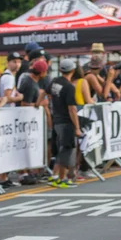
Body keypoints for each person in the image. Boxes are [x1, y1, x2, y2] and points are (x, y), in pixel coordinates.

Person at [40, 59, 81, 189]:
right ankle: (62, 179)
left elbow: (43, 92)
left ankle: (55, 176)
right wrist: (77, 127)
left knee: (60, 150)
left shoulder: (54, 82)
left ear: (60, 70)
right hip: (66, 121)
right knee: (66, 151)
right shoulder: (69, 87)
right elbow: (72, 108)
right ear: (73, 71)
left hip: (56, 120)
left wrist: (37, 103)